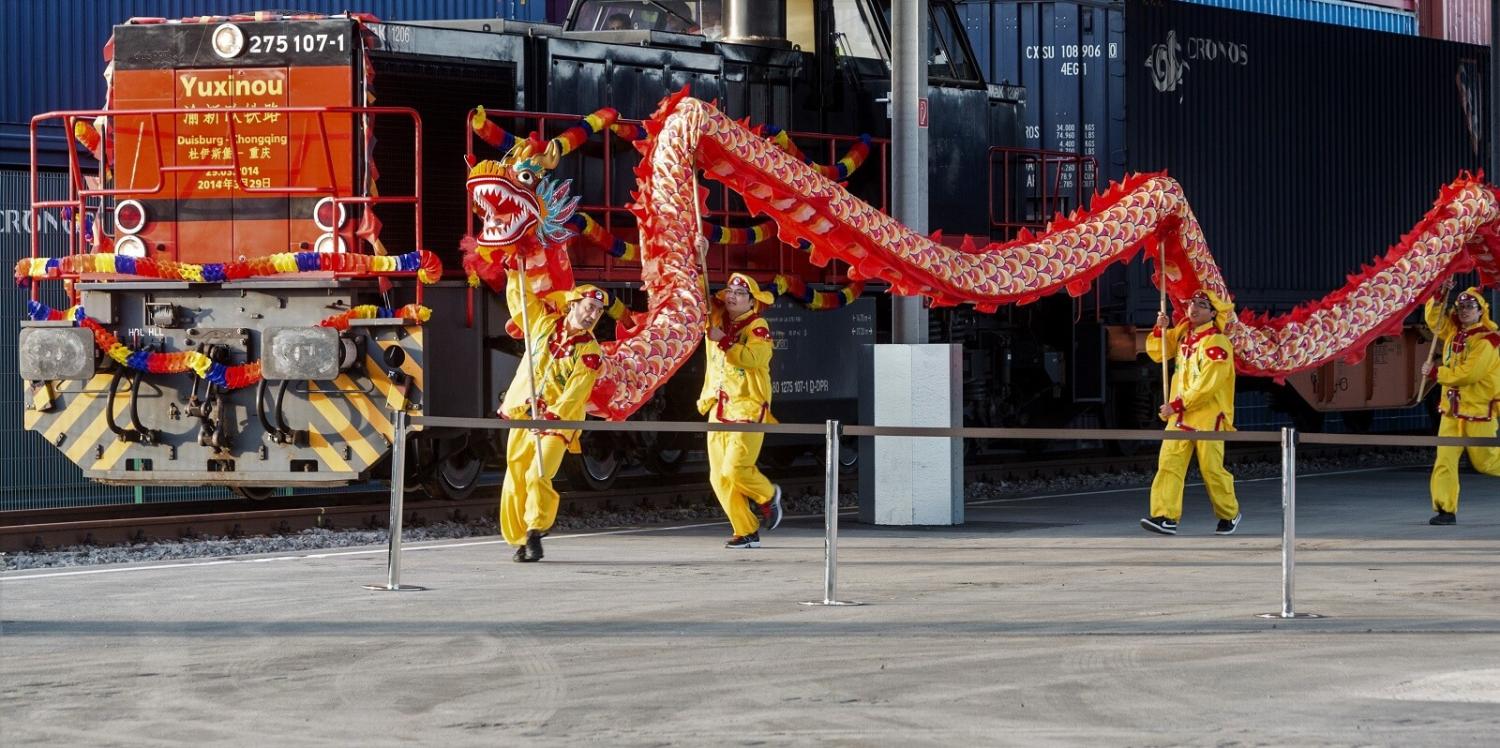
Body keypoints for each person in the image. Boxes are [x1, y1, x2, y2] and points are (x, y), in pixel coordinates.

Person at [496, 265, 608, 562]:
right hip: (524, 411)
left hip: (558, 422)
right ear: (574, 304)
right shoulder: (544, 325)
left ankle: (536, 530)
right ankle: (519, 537)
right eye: (589, 307)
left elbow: (576, 393)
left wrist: (551, 416)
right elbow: (521, 302)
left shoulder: (590, 351)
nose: (592, 315)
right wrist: (513, 272)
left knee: (538, 472)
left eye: (598, 311)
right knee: (515, 475)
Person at [1141, 289, 1242, 536]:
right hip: (1181, 417)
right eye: (1192, 303)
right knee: (1169, 465)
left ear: (1212, 313)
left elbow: (1209, 384)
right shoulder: (1185, 334)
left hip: (1208, 418)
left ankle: (1229, 513)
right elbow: (1158, 353)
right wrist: (1160, 328)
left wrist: (1177, 405)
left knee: (1212, 470)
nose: (1193, 308)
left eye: (1201, 305)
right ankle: (1165, 517)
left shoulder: (1217, 343)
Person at [699, 270, 783, 548]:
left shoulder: (758, 327)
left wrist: (724, 340)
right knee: (719, 477)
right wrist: (702, 258)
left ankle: (768, 496)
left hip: (747, 406)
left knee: (736, 469)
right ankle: (746, 531)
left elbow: (753, 358)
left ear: (752, 302)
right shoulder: (717, 319)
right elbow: (698, 293)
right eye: (730, 292)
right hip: (718, 406)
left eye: (740, 294)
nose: (732, 296)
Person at [1421, 281, 1500, 525]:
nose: (1465, 310)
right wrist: (1440, 292)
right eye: (1461, 306)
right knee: (1444, 459)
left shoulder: (1489, 341)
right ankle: (1445, 510)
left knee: (1487, 463)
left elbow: (1470, 373)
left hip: (1479, 410)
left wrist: (1437, 374)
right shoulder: (1453, 332)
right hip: (1452, 412)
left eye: (1470, 306)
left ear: (1481, 310)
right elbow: (1434, 320)